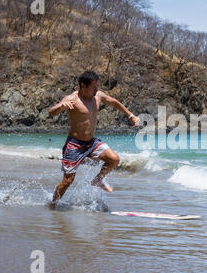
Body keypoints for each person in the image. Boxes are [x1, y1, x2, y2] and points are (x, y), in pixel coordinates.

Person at [47, 70, 140, 209]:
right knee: (68, 181)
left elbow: (114, 102)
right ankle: (52, 205)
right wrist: (60, 107)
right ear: (83, 86)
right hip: (74, 144)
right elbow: (51, 112)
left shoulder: (98, 96)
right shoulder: (72, 99)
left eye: (97, 86)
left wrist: (130, 115)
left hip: (91, 142)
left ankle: (98, 180)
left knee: (114, 159)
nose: (97, 90)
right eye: (94, 87)